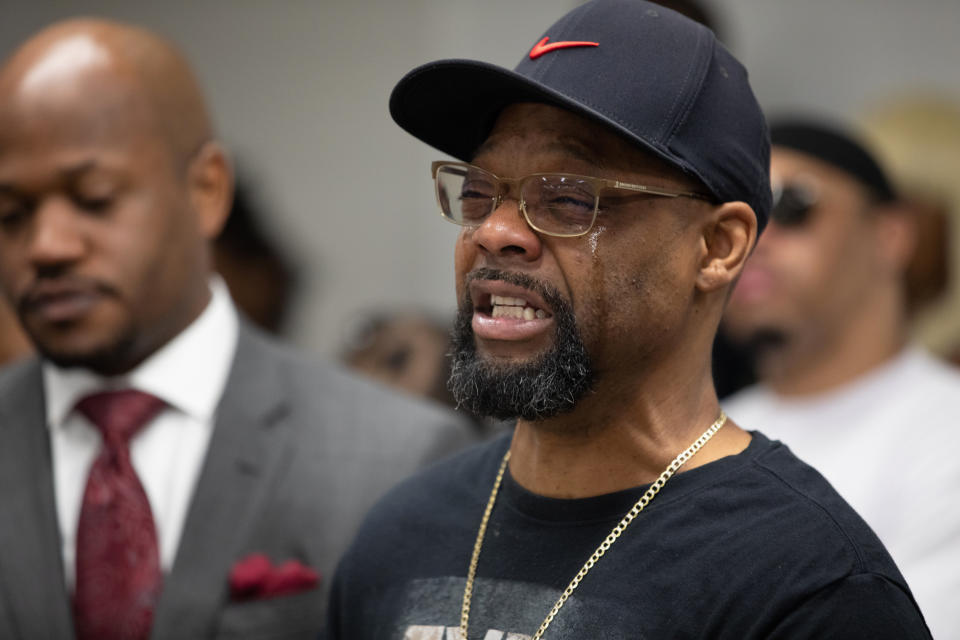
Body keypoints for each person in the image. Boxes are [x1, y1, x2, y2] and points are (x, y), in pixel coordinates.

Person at [325, 1, 931, 638]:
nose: (495, 231)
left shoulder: (809, 587)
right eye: (478, 193)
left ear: (718, 247)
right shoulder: (400, 533)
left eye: (566, 198)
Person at [0, 18, 475, 640]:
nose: (48, 246)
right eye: (11, 214)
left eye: (95, 199)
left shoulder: (397, 460)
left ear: (205, 190)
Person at [721, 119, 960, 640]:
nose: (756, 238)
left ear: (890, 235)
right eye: (733, 218)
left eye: (791, 204)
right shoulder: (695, 433)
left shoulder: (950, 434)